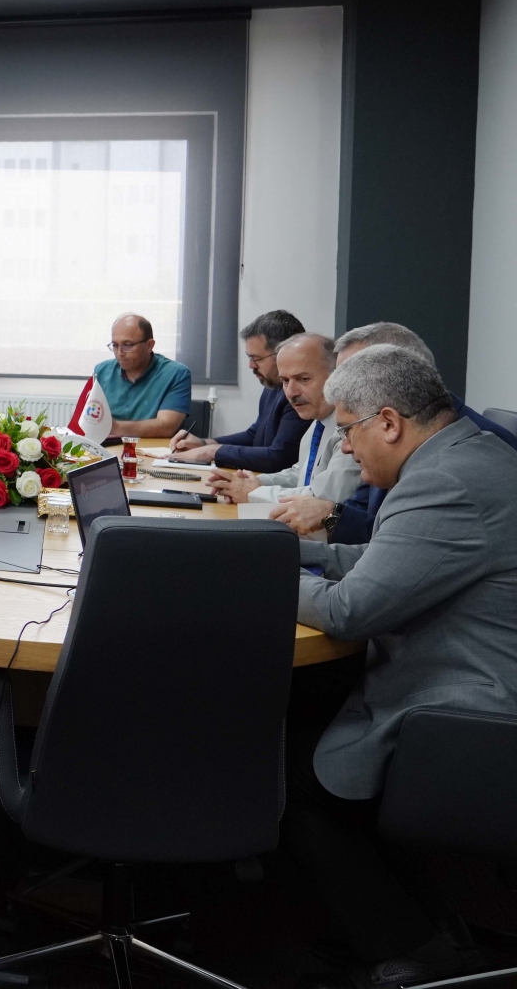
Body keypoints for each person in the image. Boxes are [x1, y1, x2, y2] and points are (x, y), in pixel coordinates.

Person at [284, 345, 517, 989]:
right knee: (306, 717)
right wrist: (282, 552)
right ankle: (432, 920)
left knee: (285, 772)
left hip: (473, 707)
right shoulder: (461, 454)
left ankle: (415, 949)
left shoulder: (446, 482)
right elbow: (385, 560)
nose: (344, 447)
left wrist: (252, 577)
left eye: (347, 430)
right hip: (466, 673)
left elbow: (351, 609)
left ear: (388, 422)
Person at [306, 324, 517, 546]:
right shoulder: (393, 441)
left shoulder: (457, 463)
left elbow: (398, 542)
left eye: (355, 375)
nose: (340, 388)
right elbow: (370, 517)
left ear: (405, 370)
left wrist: (330, 517)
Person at [206, 334, 361, 520]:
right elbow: (301, 473)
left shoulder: (352, 429)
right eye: (285, 381)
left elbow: (321, 501)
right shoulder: (318, 421)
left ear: (336, 377)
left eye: (303, 379)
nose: (291, 392)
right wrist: (255, 482)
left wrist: (252, 492)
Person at [170, 309, 306, 472]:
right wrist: (204, 443)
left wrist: (213, 451)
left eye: (256, 359)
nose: (251, 365)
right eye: (250, 357)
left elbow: (279, 458)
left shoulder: (299, 396)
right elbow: (254, 435)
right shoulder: (272, 387)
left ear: (283, 354)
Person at [92, 313, 191, 439]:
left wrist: (112, 427)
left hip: (151, 448)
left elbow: (166, 427)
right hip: (108, 447)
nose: (119, 353)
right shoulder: (101, 371)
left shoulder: (176, 374)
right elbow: (88, 419)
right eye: (115, 345)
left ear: (149, 345)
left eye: (127, 345)